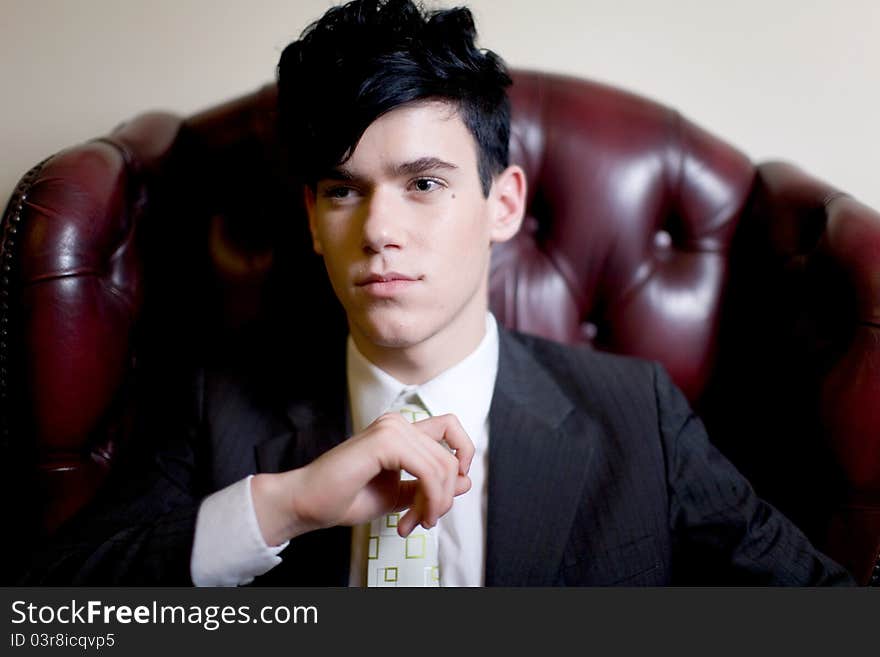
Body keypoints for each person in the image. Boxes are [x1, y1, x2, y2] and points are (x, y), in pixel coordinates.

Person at [22, 0, 853, 586]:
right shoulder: (221, 403)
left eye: (423, 182)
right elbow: (51, 616)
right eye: (344, 190)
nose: (379, 227)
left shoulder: (640, 416)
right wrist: (283, 505)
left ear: (504, 204)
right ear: (312, 218)